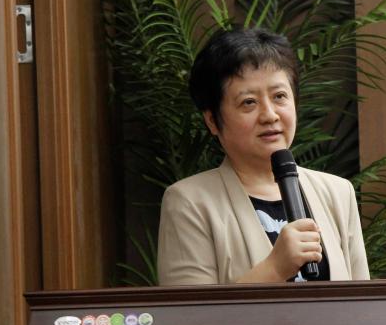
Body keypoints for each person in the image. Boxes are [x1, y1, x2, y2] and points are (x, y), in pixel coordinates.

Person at [157, 28, 369, 285]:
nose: (270, 115)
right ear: (212, 120)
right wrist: (275, 269)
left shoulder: (338, 193)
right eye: (249, 102)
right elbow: (191, 310)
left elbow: (363, 302)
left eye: (279, 97)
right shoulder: (189, 202)